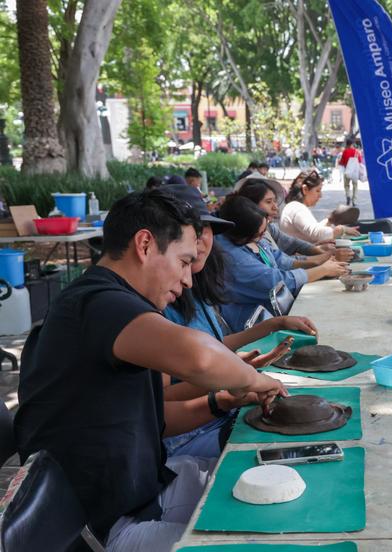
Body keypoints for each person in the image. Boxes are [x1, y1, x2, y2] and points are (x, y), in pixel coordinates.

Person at [14, 189, 288, 550]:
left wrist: (222, 402)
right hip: (106, 527)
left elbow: (155, 419)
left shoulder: (111, 308)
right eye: (183, 261)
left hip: (143, 492)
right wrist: (253, 379)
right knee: (257, 542)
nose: (189, 279)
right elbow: (200, 358)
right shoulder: (99, 303)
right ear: (145, 245)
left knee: (263, 490)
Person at [160, 184, 317, 459]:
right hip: (191, 436)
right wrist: (229, 381)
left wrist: (273, 326)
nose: (201, 241)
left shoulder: (194, 287)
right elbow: (164, 400)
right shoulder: (158, 303)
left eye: (205, 230)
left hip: (219, 411)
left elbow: (212, 346)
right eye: (190, 232)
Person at [217, 195, 348, 332]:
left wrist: (322, 259)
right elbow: (277, 282)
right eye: (268, 201)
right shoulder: (234, 258)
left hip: (274, 317)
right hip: (254, 328)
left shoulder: (252, 236)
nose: (275, 206)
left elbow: (281, 259)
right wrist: (323, 269)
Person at [235, 179, 353, 263]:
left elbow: (292, 243)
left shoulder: (269, 228)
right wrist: (325, 257)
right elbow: (281, 264)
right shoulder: (296, 208)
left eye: (274, 201)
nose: (275, 207)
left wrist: (318, 250)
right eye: (268, 202)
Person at [280, 170, 360, 243]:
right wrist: (342, 229)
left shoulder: (293, 206)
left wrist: (330, 220)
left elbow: (312, 231)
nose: (320, 195)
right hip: (299, 257)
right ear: (305, 189)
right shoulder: (297, 208)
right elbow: (317, 234)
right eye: (317, 190)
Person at [338, 137, 363, 205]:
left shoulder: (345, 151)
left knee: (346, 185)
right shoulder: (356, 151)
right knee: (355, 185)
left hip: (347, 171)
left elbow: (341, 162)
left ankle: (348, 196)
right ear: (352, 144)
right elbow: (360, 161)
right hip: (355, 172)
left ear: (347, 144)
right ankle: (354, 200)